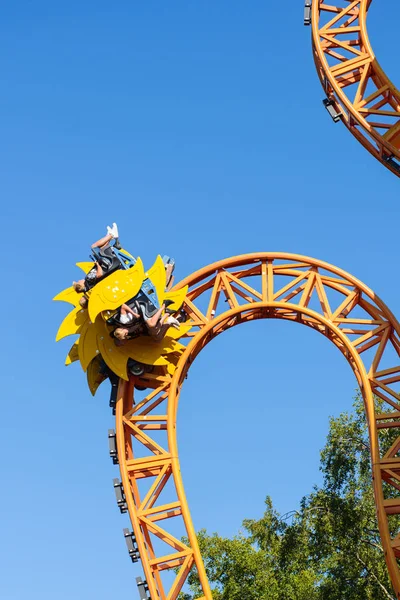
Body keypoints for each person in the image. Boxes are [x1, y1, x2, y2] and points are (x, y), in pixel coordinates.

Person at [73, 223, 120, 294]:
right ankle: (112, 235)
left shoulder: (88, 285)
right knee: (94, 247)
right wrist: (97, 264)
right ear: (80, 284)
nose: (79, 280)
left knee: (100, 249)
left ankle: (108, 236)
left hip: (106, 266)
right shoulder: (88, 279)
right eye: (78, 281)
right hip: (106, 265)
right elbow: (99, 274)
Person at [113, 303, 180, 344]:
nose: (126, 335)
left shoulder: (123, 321)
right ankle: (168, 319)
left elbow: (123, 306)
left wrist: (134, 314)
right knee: (157, 338)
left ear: (121, 330)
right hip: (141, 320)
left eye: (125, 335)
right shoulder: (130, 332)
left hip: (140, 309)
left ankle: (163, 306)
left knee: (152, 325)